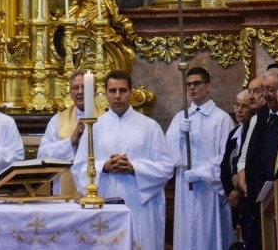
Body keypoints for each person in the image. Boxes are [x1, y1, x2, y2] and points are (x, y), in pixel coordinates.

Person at [72, 70, 173, 250]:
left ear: (131, 93)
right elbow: (78, 168)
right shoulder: (94, 127)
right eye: (112, 91)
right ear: (105, 93)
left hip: (140, 206)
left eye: (122, 90)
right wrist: (104, 167)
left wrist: (134, 168)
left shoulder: (150, 127)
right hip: (106, 202)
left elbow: (166, 167)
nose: (117, 96)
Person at [165, 67, 234, 250]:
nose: (192, 88)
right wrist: (180, 136)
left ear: (208, 86)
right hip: (185, 189)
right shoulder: (180, 118)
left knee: (208, 235)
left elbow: (227, 157)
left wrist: (201, 173)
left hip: (209, 189)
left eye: (197, 83)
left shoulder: (221, 119)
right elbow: (167, 155)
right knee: (186, 235)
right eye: (188, 84)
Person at [237, 64, 278, 250]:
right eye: (264, 89)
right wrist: (243, 179)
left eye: (270, 90)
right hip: (253, 196)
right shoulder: (258, 117)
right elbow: (245, 154)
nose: (266, 95)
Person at [37, 70, 102, 197]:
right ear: (70, 92)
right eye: (75, 88)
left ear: (94, 90)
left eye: (84, 87)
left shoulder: (105, 118)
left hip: (99, 188)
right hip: (65, 191)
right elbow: (42, 155)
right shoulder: (58, 120)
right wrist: (70, 141)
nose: (80, 92)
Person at [221, 89, 252, 229]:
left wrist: (240, 191)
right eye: (237, 105)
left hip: (248, 194)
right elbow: (225, 165)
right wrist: (230, 190)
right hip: (234, 196)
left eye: (244, 106)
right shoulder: (234, 133)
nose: (239, 110)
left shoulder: (255, 132)